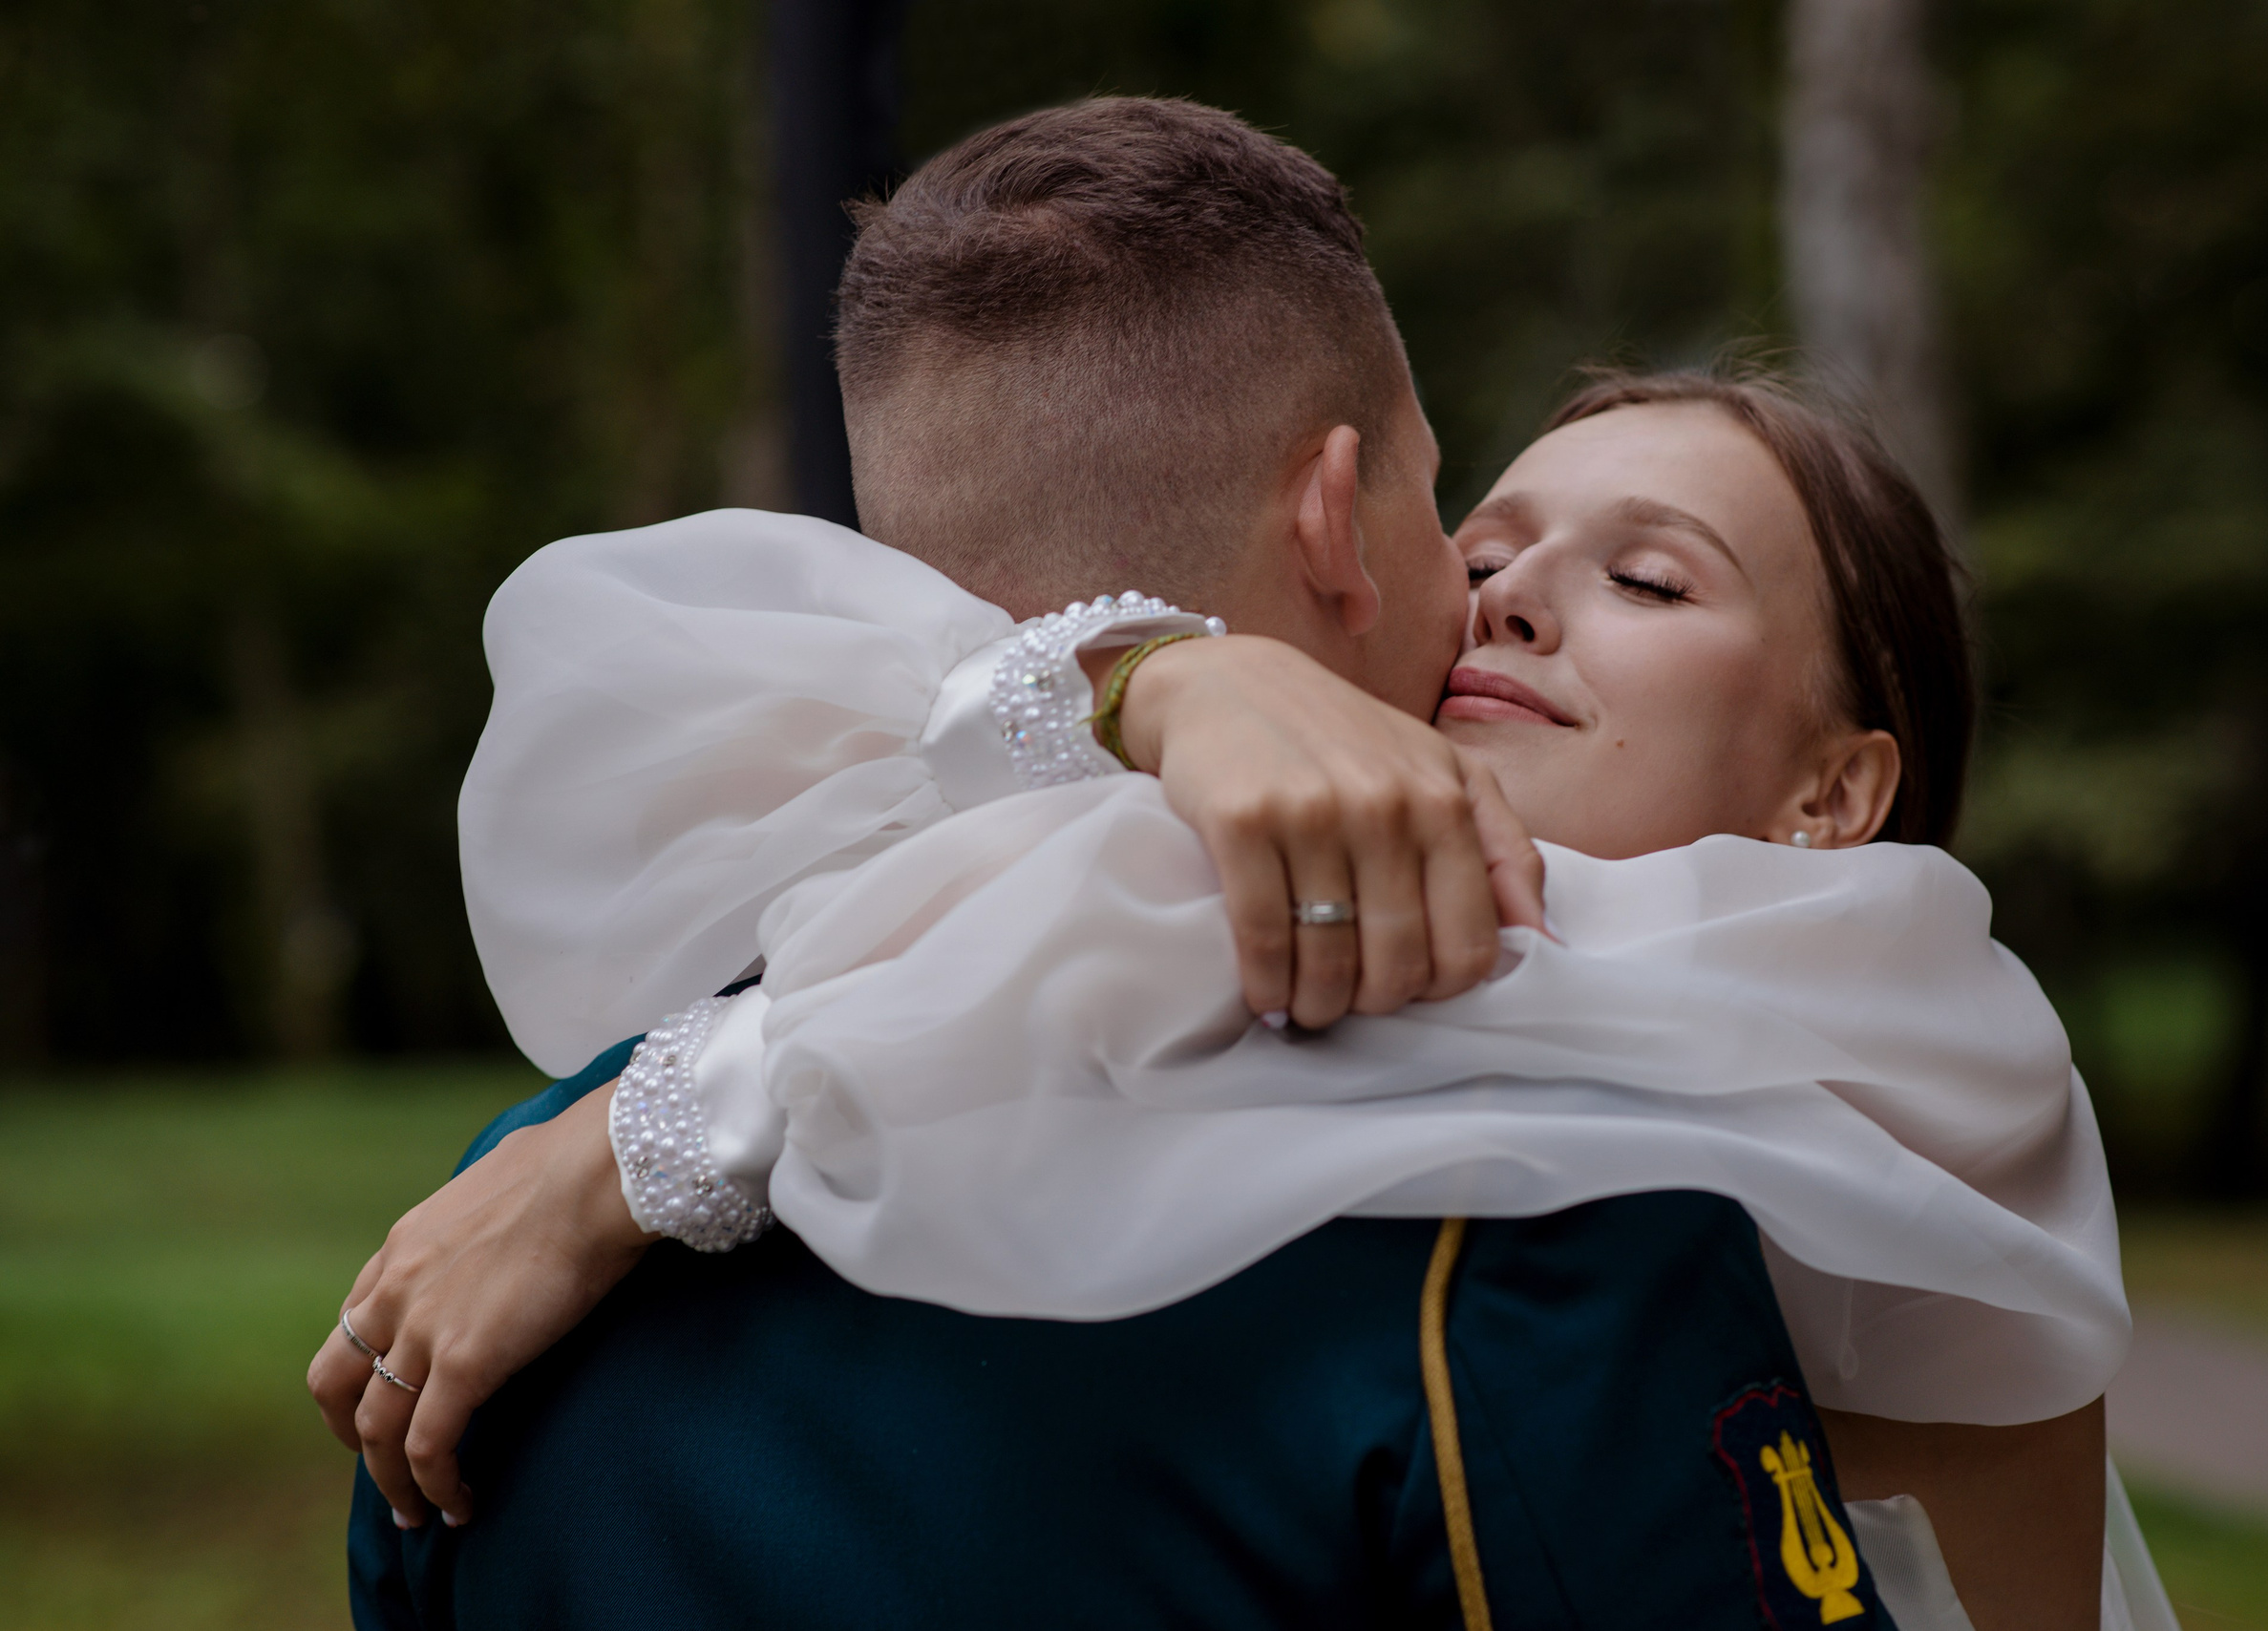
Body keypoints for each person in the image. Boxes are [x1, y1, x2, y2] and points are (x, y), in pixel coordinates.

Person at [318, 98, 2132, 1630]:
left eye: (1651, 580)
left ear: (1843, 790)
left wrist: (678, 1110)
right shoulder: (1540, 1255)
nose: (1496, 597)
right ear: (1344, 521)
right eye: (1471, 522)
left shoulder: (495, 1226)